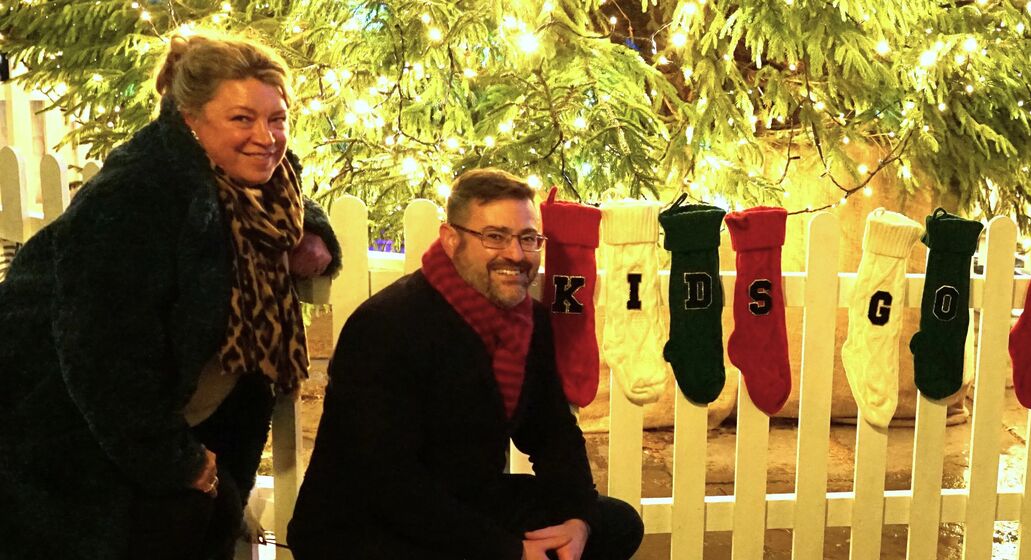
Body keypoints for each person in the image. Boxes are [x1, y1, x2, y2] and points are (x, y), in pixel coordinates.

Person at [0, 32, 340, 559]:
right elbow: (102, 353)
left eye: (277, 118)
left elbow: (286, 207)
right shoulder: (138, 195)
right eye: (242, 118)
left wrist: (315, 235)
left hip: (173, 426)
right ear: (189, 118)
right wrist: (176, 461)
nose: (266, 136)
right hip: (71, 433)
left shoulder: (260, 181)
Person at [287, 169, 643, 559]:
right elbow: (388, 481)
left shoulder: (530, 322)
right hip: (364, 523)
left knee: (616, 524)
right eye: (494, 236)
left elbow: (553, 432)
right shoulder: (388, 324)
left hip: (465, 500)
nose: (516, 254)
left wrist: (578, 521)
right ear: (450, 239)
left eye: (528, 238)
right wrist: (511, 551)